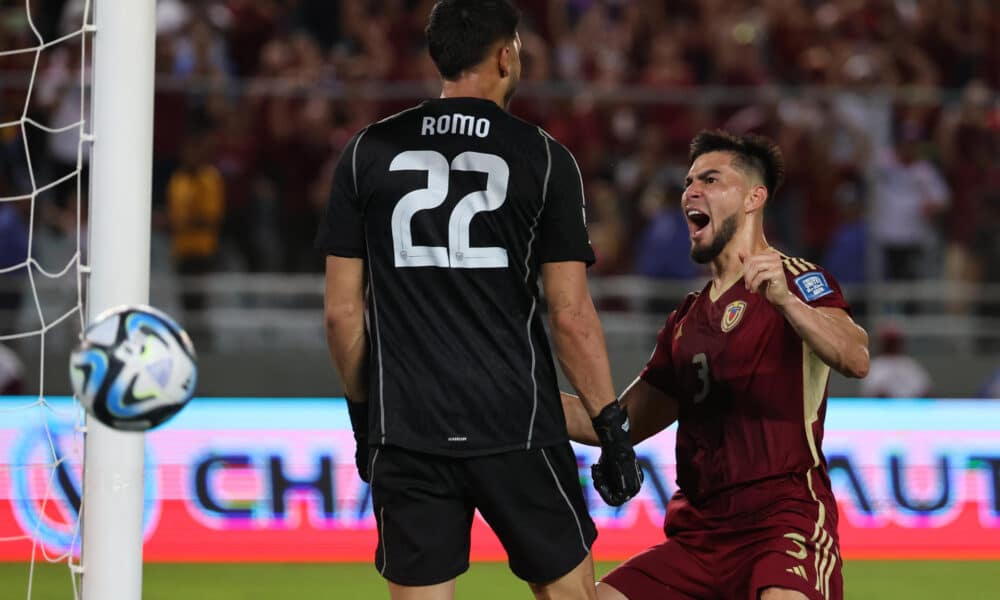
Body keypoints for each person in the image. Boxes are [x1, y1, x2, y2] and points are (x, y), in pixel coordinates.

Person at [314, 2, 642, 599]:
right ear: (505, 54)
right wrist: (611, 428)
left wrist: (367, 421)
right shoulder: (544, 159)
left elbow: (341, 315)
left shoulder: (367, 152)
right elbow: (569, 316)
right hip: (516, 421)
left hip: (408, 427)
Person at [563, 130, 870, 600]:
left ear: (754, 197)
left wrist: (788, 304)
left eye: (710, 179)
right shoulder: (686, 321)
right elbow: (612, 423)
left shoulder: (797, 279)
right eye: (688, 182)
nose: (691, 191)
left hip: (782, 523)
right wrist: (513, 390)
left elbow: (855, 357)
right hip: (699, 537)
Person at [860, 324, 932, 398]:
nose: (893, 345)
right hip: (884, 407)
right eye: (890, 342)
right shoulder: (875, 365)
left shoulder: (909, 364)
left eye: (894, 342)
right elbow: (872, 392)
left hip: (911, 407)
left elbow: (925, 390)